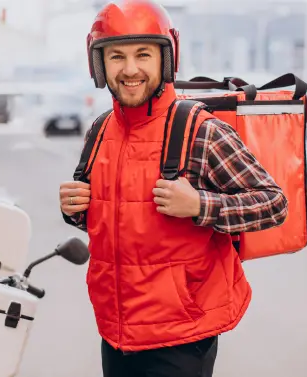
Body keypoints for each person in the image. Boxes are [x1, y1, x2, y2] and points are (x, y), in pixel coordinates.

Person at [59, 1, 289, 376]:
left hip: (181, 336)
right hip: (117, 332)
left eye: (143, 55)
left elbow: (274, 204)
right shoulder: (100, 131)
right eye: (116, 56)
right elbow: (118, 224)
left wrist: (201, 205)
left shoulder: (201, 130)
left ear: (166, 57)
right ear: (98, 63)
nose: (130, 69)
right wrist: (76, 209)